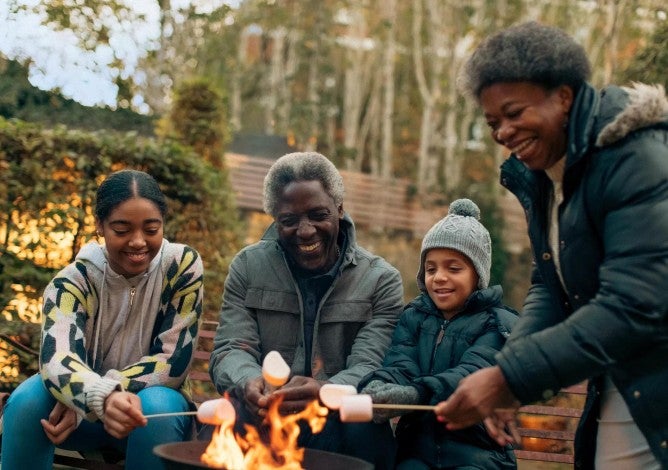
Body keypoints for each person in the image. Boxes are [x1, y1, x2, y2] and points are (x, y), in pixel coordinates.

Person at [433, 21, 668, 470]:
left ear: (563, 96)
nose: (503, 132)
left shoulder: (635, 158)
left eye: (514, 112)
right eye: (493, 122)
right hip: (624, 374)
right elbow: (552, 285)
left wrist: (510, 379)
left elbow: (635, 304)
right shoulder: (546, 176)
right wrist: (511, 369)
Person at [208, 151, 404, 468]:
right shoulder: (247, 266)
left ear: (339, 209)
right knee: (218, 428)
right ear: (275, 219)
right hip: (262, 417)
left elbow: (371, 366)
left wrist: (326, 391)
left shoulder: (380, 280)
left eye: (318, 214)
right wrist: (249, 382)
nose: (305, 230)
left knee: (366, 430)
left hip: (339, 423)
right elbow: (231, 348)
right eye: (289, 220)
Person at [1, 169, 204, 470]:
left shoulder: (182, 266)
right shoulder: (72, 283)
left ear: (163, 224)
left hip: (149, 417)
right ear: (100, 226)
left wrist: (97, 396)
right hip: (77, 421)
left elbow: (173, 361)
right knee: (29, 402)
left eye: (151, 229)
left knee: (156, 404)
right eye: (122, 230)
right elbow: (57, 358)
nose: (138, 242)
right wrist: (93, 400)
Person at [358, 198, 518, 469]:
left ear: (477, 275)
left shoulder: (497, 323)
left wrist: (414, 394)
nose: (439, 277)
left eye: (453, 268)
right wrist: (378, 385)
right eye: (431, 269)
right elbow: (400, 364)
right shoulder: (414, 317)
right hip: (417, 450)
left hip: (478, 453)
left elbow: (468, 376)